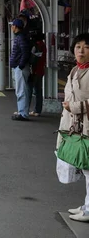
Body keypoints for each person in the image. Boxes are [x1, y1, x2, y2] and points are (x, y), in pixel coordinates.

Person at [60, 33, 89, 221]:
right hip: (77, 126)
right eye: (78, 46)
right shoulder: (75, 71)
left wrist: (76, 107)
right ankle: (87, 205)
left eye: (86, 47)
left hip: (86, 126)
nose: (81, 50)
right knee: (86, 169)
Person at [10, 18, 32, 121]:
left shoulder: (21, 38)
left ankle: (23, 113)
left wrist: (21, 65)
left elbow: (25, 52)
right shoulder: (21, 37)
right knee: (22, 90)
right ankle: (22, 111)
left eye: (12, 25)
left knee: (21, 90)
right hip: (20, 67)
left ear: (15, 26)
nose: (11, 27)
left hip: (20, 67)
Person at [28, 33, 46, 116]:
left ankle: (25, 109)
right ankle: (37, 110)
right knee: (38, 91)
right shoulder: (43, 45)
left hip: (34, 71)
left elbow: (33, 59)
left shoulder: (36, 46)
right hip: (40, 70)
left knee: (29, 91)